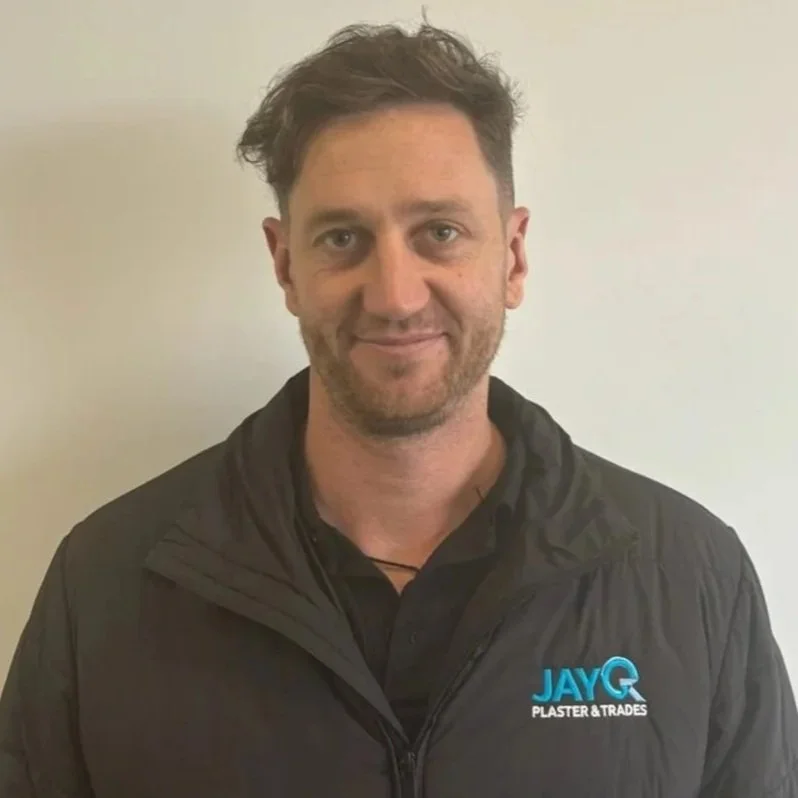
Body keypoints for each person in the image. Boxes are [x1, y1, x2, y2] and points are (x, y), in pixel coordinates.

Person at [1, 19, 796, 798]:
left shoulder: (692, 581)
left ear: (512, 255)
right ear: (285, 264)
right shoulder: (104, 585)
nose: (395, 294)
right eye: (343, 239)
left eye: (440, 232)